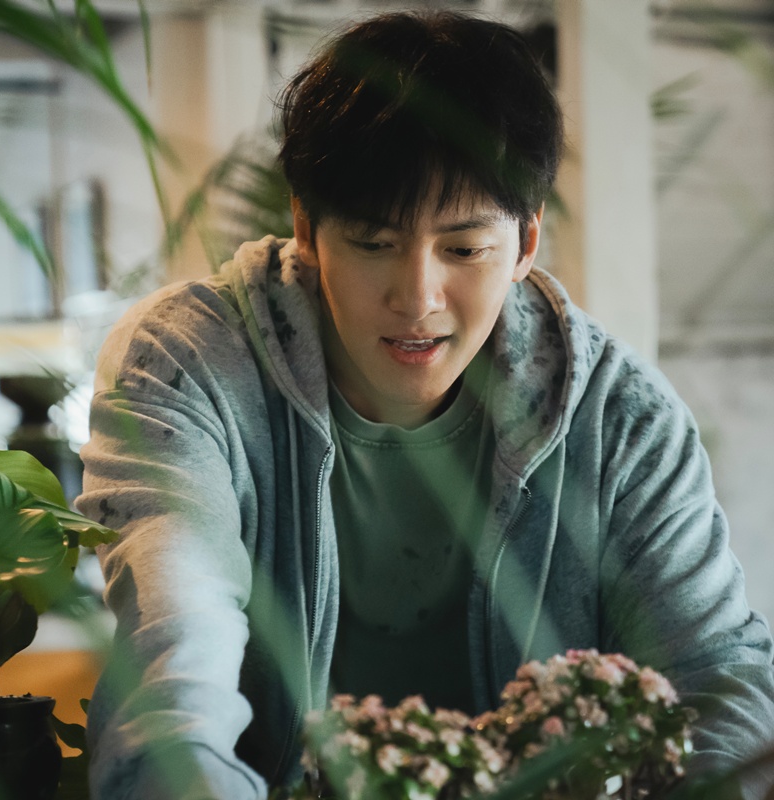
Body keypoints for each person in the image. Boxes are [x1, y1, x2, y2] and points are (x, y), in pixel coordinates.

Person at [75, 10, 774, 799]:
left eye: (464, 248)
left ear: (526, 242)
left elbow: (716, 676)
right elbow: (174, 672)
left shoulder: (621, 418)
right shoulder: (187, 367)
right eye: (374, 243)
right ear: (305, 227)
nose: (417, 298)